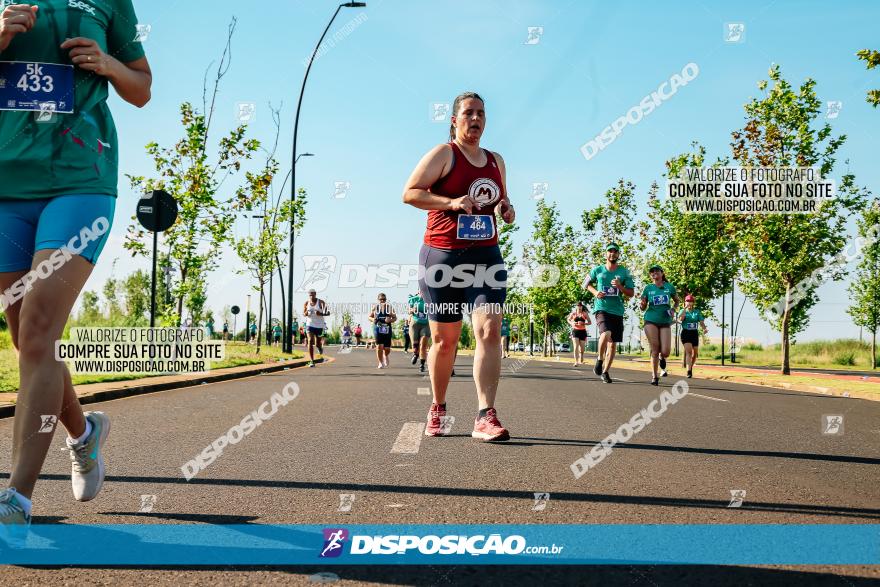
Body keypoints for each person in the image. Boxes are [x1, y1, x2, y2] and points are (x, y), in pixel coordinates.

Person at [0, 0, 152, 539]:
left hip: (79, 177)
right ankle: (84, 433)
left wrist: (109, 64)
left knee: (39, 331)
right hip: (4, 187)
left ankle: (16, 495)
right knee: (25, 338)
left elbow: (141, 87)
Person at [402, 91, 515, 441]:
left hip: (486, 255)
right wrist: (450, 202)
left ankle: (485, 415)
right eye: (468, 113)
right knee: (445, 340)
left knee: (490, 329)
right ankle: (438, 406)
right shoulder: (443, 154)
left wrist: (506, 210)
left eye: (481, 113)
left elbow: (502, 200)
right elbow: (411, 193)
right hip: (444, 256)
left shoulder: (496, 161)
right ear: (454, 120)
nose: (476, 119)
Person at [584, 243, 635, 383]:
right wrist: (595, 292)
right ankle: (600, 360)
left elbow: (631, 293)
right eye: (610, 251)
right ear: (606, 254)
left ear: (618, 255)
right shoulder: (598, 270)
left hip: (617, 311)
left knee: (612, 345)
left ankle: (605, 372)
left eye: (615, 252)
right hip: (602, 308)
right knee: (605, 333)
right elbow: (585, 283)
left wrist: (620, 286)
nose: (612, 254)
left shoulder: (624, 272)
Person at [640, 265, 679, 385]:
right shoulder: (648, 288)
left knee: (666, 351)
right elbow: (642, 308)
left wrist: (673, 309)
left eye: (657, 271)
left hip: (665, 321)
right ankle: (654, 376)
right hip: (650, 320)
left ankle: (663, 358)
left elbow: (677, 301)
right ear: (650, 275)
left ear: (662, 273)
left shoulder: (669, 287)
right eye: (652, 272)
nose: (654, 273)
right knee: (655, 348)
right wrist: (642, 304)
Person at [678, 294, 708, 378]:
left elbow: (701, 322)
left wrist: (704, 328)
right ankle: (689, 371)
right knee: (689, 351)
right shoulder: (682, 310)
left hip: (694, 333)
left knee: (695, 354)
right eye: (687, 301)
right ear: (685, 302)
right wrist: (684, 308)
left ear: (693, 303)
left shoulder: (697, 312)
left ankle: (690, 367)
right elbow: (681, 319)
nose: (689, 303)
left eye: (690, 301)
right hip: (686, 333)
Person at [303, 289, 330, 367]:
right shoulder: (306, 303)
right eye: (310, 295)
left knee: (317, 343)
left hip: (319, 325)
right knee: (310, 340)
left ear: (315, 294)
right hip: (309, 324)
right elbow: (304, 314)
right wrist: (306, 313)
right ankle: (312, 361)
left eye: (313, 295)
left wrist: (320, 313)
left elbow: (328, 313)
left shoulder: (321, 302)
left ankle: (319, 348)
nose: (311, 296)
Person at [369, 293, 397, 368]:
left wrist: (390, 320)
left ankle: (386, 355)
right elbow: (369, 317)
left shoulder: (390, 308)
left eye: (384, 299)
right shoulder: (375, 307)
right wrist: (373, 319)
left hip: (387, 329)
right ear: (378, 300)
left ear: (386, 300)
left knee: (387, 348)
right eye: (381, 299)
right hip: (377, 328)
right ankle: (380, 362)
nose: (382, 301)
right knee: (379, 346)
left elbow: (395, 318)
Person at [409, 291, 430, 372]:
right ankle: (415, 353)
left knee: (423, 344)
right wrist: (412, 310)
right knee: (415, 345)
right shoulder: (414, 299)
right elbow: (409, 310)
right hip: (415, 324)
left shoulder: (430, 299)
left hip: (426, 324)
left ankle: (422, 364)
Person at [567, 301, 592, 365]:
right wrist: (572, 323)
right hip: (575, 331)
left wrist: (584, 323)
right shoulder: (573, 314)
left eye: (580, 306)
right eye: (578, 306)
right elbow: (568, 320)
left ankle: (581, 358)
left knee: (582, 349)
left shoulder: (585, 314)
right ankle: (576, 361)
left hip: (583, 331)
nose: (579, 307)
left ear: (582, 306)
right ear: (576, 307)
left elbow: (590, 322)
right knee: (576, 347)